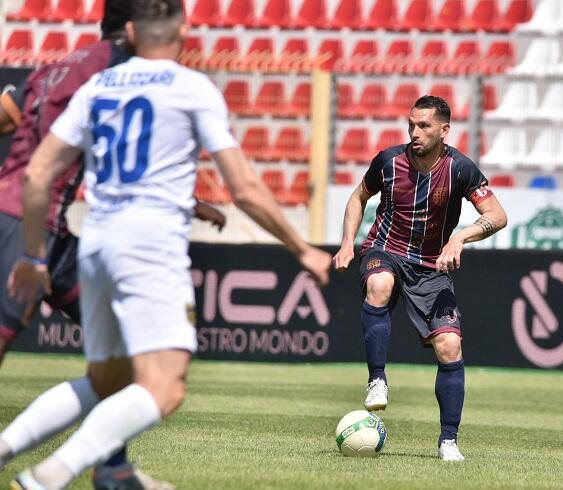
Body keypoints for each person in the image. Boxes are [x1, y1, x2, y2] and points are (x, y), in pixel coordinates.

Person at [4, 0, 332, 488]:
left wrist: (34, 254)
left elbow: (37, 173)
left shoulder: (98, 84)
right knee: (165, 386)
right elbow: (243, 187)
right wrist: (301, 248)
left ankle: (29, 452)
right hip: (149, 245)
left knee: (107, 381)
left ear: (132, 31)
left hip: (94, 240)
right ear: (182, 28)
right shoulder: (191, 87)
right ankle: (49, 477)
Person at [0, 3, 206, 488]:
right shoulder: (115, 70)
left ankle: (112, 468)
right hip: (26, 226)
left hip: (54, 236)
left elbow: (7, 117)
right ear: (137, 29)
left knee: (125, 359)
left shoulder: (59, 66)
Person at [332, 95, 507, 462]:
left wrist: (459, 237)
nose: (414, 132)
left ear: (444, 130)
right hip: (386, 249)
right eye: (411, 124)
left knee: (449, 347)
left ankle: (448, 441)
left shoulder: (461, 169)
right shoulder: (388, 161)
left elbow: (497, 215)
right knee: (379, 285)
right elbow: (358, 196)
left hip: (431, 267)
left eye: (424, 126)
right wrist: (348, 243)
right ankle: (377, 379)